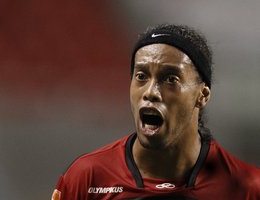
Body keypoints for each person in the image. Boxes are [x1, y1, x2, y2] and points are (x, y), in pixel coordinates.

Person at [51, 24, 260, 200]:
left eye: (171, 79)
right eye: (141, 76)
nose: (151, 92)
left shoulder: (247, 187)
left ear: (202, 94)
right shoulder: (87, 178)